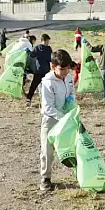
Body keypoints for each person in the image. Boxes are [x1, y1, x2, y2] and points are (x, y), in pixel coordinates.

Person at [39, 49, 75, 191]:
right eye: (62, 69)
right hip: (51, 120)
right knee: (47, 150)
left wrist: (73, 109)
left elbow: (71, 95)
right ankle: (45, 178)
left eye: (67, 68)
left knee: (73, 146)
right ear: (52, 66)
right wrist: (62, 117)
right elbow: (48, 107)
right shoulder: (48, 82)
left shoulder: (69, 78)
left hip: (67, 117)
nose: (65, 72)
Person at [26, 34, 53, 105]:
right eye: (48, 41)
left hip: (38, 70)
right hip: (46, 70)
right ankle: (46, 101)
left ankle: (28, 99)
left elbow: (31, 55)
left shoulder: (37, 48)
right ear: (46, 40)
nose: (48, 42)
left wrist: (28, 51)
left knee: (33, 85)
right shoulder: (49, 49)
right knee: (47, 87)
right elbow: (51, 59)